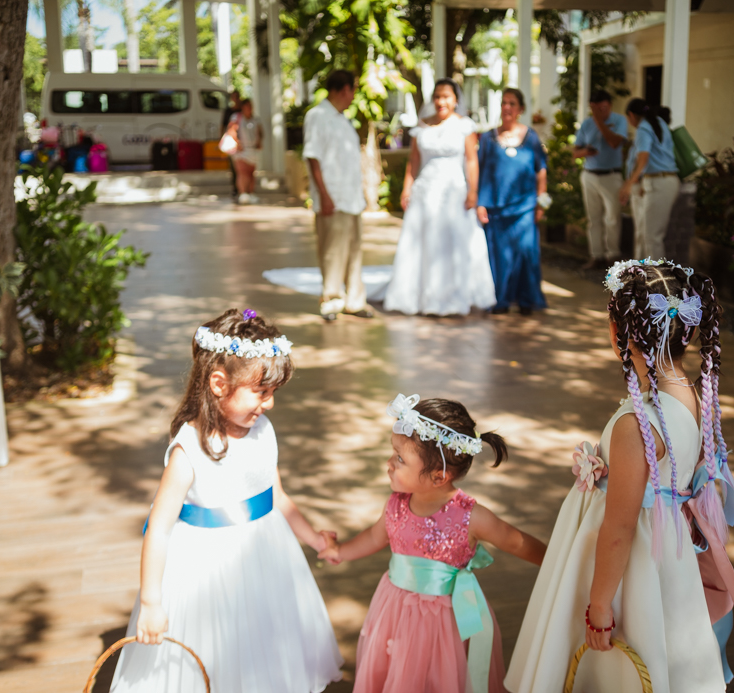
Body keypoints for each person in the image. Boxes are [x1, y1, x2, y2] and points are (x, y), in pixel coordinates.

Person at [505, 260, 734, 693]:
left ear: (618, 334)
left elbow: (617, 528)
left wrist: (599, 605)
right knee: (661, 652)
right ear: (687, 332)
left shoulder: (637, 426)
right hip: (666, 554)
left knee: (620, 660)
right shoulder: (694, 395)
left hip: (628, 567)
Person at [108, 308, 344, 693]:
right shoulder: (190, 449)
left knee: (261, 643)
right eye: (261, 392)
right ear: (219, 383)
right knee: (215, 649)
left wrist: (315, 539)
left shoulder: (263, 431)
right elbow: (159, 529)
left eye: (272, 393)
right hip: (206, 566)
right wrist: (151, 601)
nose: (268, 404)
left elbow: (278, 498)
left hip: (266, 556)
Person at [319, 394, 547, 693]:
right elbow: (375, 537)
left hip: (444, 619)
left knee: (438, 675)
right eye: (394, 453)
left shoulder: (471, 516)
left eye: (400, 458)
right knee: (397, 672)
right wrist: (339, 551)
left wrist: (560, 562)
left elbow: (516, 543)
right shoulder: (396, 504)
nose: (389, 463)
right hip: (394, 610)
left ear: (439, 476)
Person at [381, 79, 497, 316]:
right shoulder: (422, 126)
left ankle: (453, 296)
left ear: (456, 100)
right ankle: (422, 296)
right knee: (423, 242)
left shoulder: (465, 126)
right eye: (437, 97)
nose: (441, 101)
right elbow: (413, 160)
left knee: (453, 242)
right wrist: (407, 188)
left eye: (446, 97)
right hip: (425, 191)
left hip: (455, 191)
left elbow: (471, 160)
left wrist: (473, 191)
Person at [303, 69, 373, 321]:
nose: (353, 96)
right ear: (344, 90)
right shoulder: (317, 116)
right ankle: (331, 300)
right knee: (332, 252)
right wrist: (324, 194)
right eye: (353, 89)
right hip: (332, 196)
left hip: (351, 197)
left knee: (354, 252)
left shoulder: (344, 120)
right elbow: (313, 157)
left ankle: (355, 300)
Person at [477, 88, 548, 315]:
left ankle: (527, 300)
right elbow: (480, 172)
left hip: (525, 207)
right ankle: (501, 300)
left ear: (521, 109)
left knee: (526, 254)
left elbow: (541, 171)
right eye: (504, 103)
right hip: (496, 208)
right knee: (499, 256)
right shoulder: (488, 138)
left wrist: (542, 203)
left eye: (512, 103)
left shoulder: (531, 138)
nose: (507, 107)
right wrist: (480, 203)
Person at [619, 99, 680, 262]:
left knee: (651, 236)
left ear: (631, 115)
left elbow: (643, 159)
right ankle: (643, 275)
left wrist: (628, 184)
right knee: (648, 233)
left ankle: (658, 282)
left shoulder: (644, 128)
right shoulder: (658, 122)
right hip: (663, 181)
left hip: (659, 182)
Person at [573, 90, 628, 270]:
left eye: (603, 108)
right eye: (595, 109)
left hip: (611, 175)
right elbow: (575, 152)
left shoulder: (619, 121)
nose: (599, 112)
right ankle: (596, 256)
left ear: (609, 106)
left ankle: (612, 255)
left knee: (612, 218)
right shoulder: (586, 124)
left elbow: (614, 142)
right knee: (593, 218)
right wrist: (585, 152)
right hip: (590, 175)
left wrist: (599, 121)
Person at [229, 99, 261, 205]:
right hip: (241, 150)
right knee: (242, 172)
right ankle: (242, 193)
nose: (249, 108)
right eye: (247, 106)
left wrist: (259, 141)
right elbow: (231, 130)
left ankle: (250, 193)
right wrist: (237, 142)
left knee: (250, 172)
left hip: (252, 149)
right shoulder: (236, 118)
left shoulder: (256, 119)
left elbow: (260, 132)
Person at [222, 91, 242, 201]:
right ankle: (235, 189)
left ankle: (242, 189)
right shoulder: (228, 111)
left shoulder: (242, 110)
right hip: (233, 143)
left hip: (244, 143)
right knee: (234, 167)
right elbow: (224, 125)